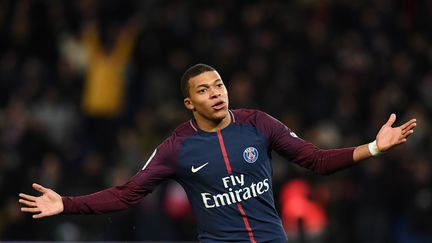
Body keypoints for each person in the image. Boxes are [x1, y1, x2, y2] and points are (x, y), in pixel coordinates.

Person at [19, 64, 417, 243]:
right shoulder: (175, 147)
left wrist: (375, 147)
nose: (217, 93)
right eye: (204, 90)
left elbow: (314, 159)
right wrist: (66, 204)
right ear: (189, 103)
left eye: (219, 84)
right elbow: (127, 193)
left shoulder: (258, 123)